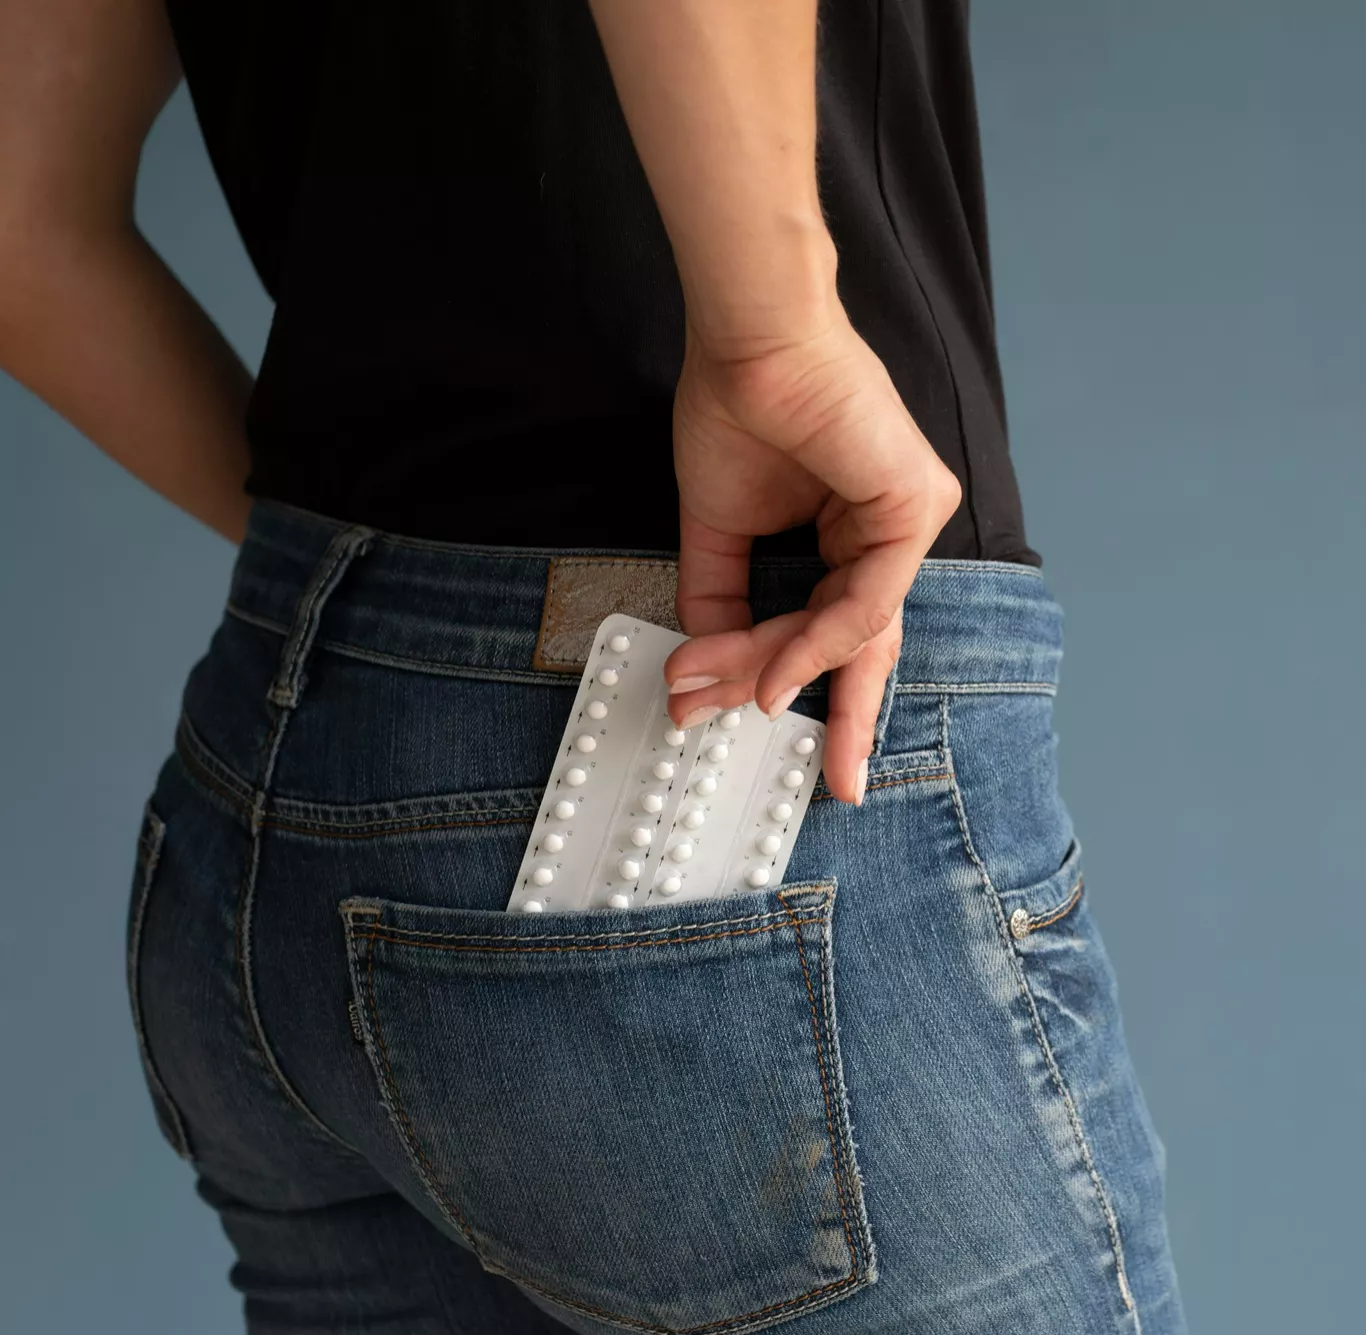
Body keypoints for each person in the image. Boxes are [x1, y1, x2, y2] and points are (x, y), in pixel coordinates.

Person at [0, 1, 1184, 1332]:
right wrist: (771, 338)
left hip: (276, 791)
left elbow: (16, 210)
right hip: (756, 707)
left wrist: (390, 610)